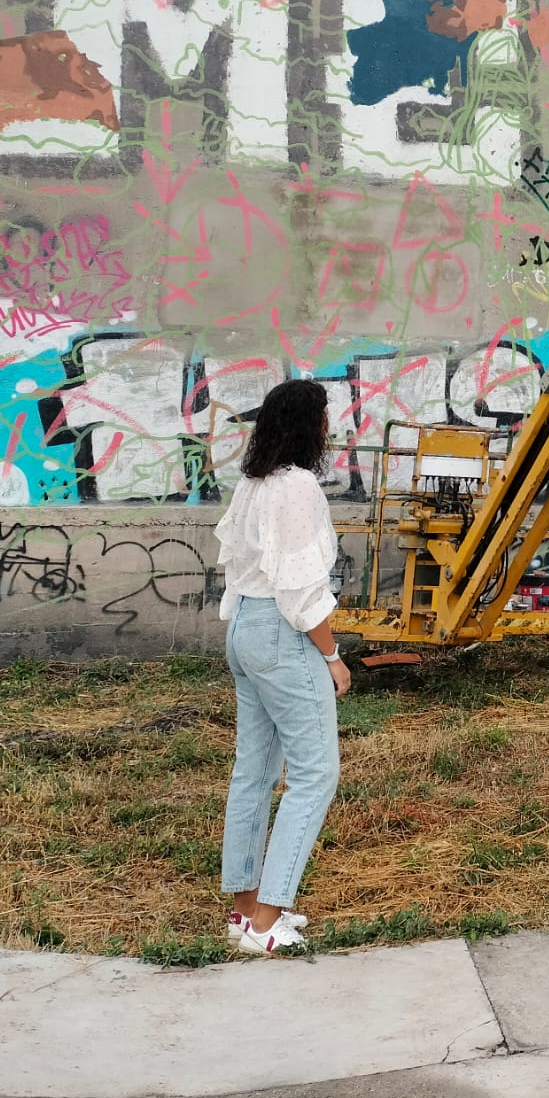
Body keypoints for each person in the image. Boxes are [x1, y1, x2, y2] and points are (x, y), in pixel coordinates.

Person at [213, 378, 349, 955]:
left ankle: (246, 913)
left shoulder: (254, 481)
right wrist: (333, 656)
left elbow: (238, 564)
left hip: (245, 627)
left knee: (254, 771)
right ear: (306, 425)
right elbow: (299, 591)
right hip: (283, 634)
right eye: (323, 417)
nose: (328, 427)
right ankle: (269, 923)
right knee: (316, 775)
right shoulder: (296, 488)